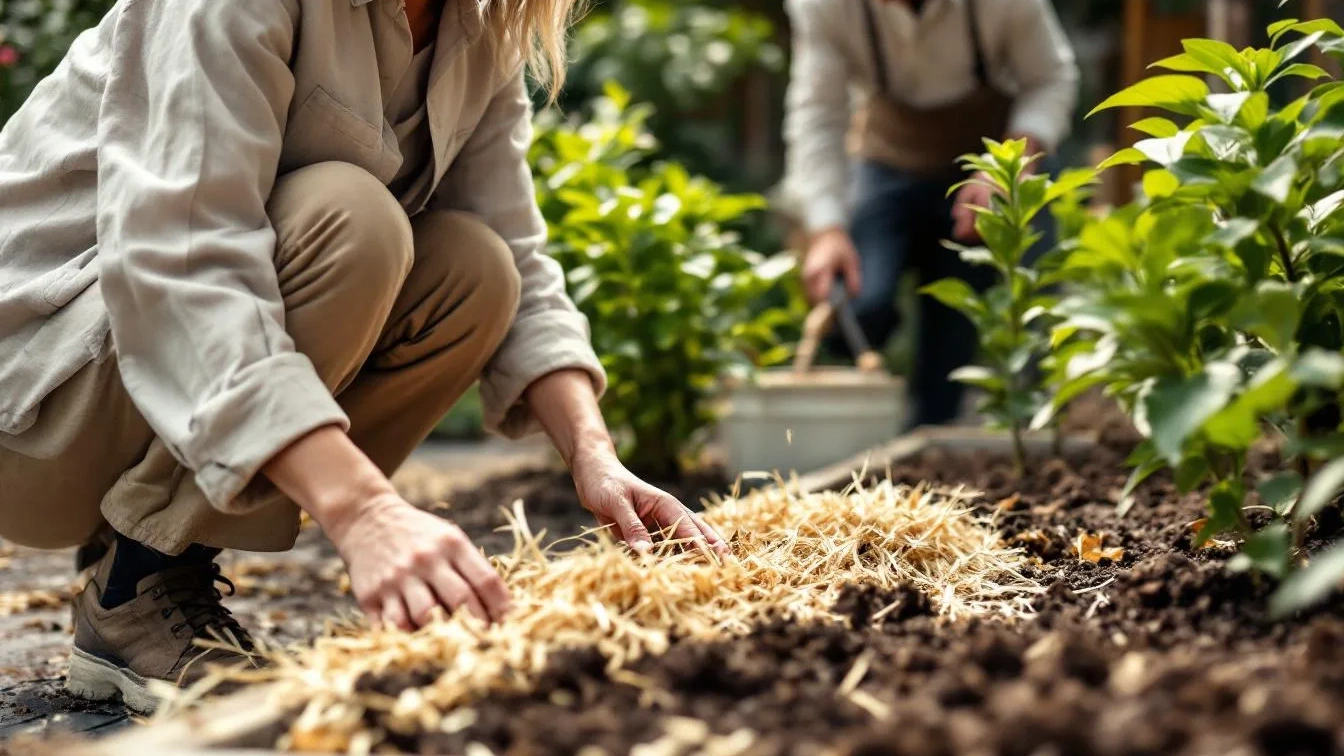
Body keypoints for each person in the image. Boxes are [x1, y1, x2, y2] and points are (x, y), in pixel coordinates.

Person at [0, 0, 728, 712]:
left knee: (475, 270)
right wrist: (367, 512)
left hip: (141, 390)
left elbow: (516, 256)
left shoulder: (473, 23)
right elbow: (184, 270)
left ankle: (142, 569)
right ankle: (136, 585)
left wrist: (594, 457)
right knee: (355, 222)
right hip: (37, 412)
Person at [783, 0, 1078, 428]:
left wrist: (1004, 168)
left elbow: (1050, 79)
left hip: (991, 159)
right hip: (886, 158)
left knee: (966, 319)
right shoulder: (823, 6)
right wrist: (826, 227)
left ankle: (989, 429)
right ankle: (857, 429)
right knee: (860, 303)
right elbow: (818, 114)